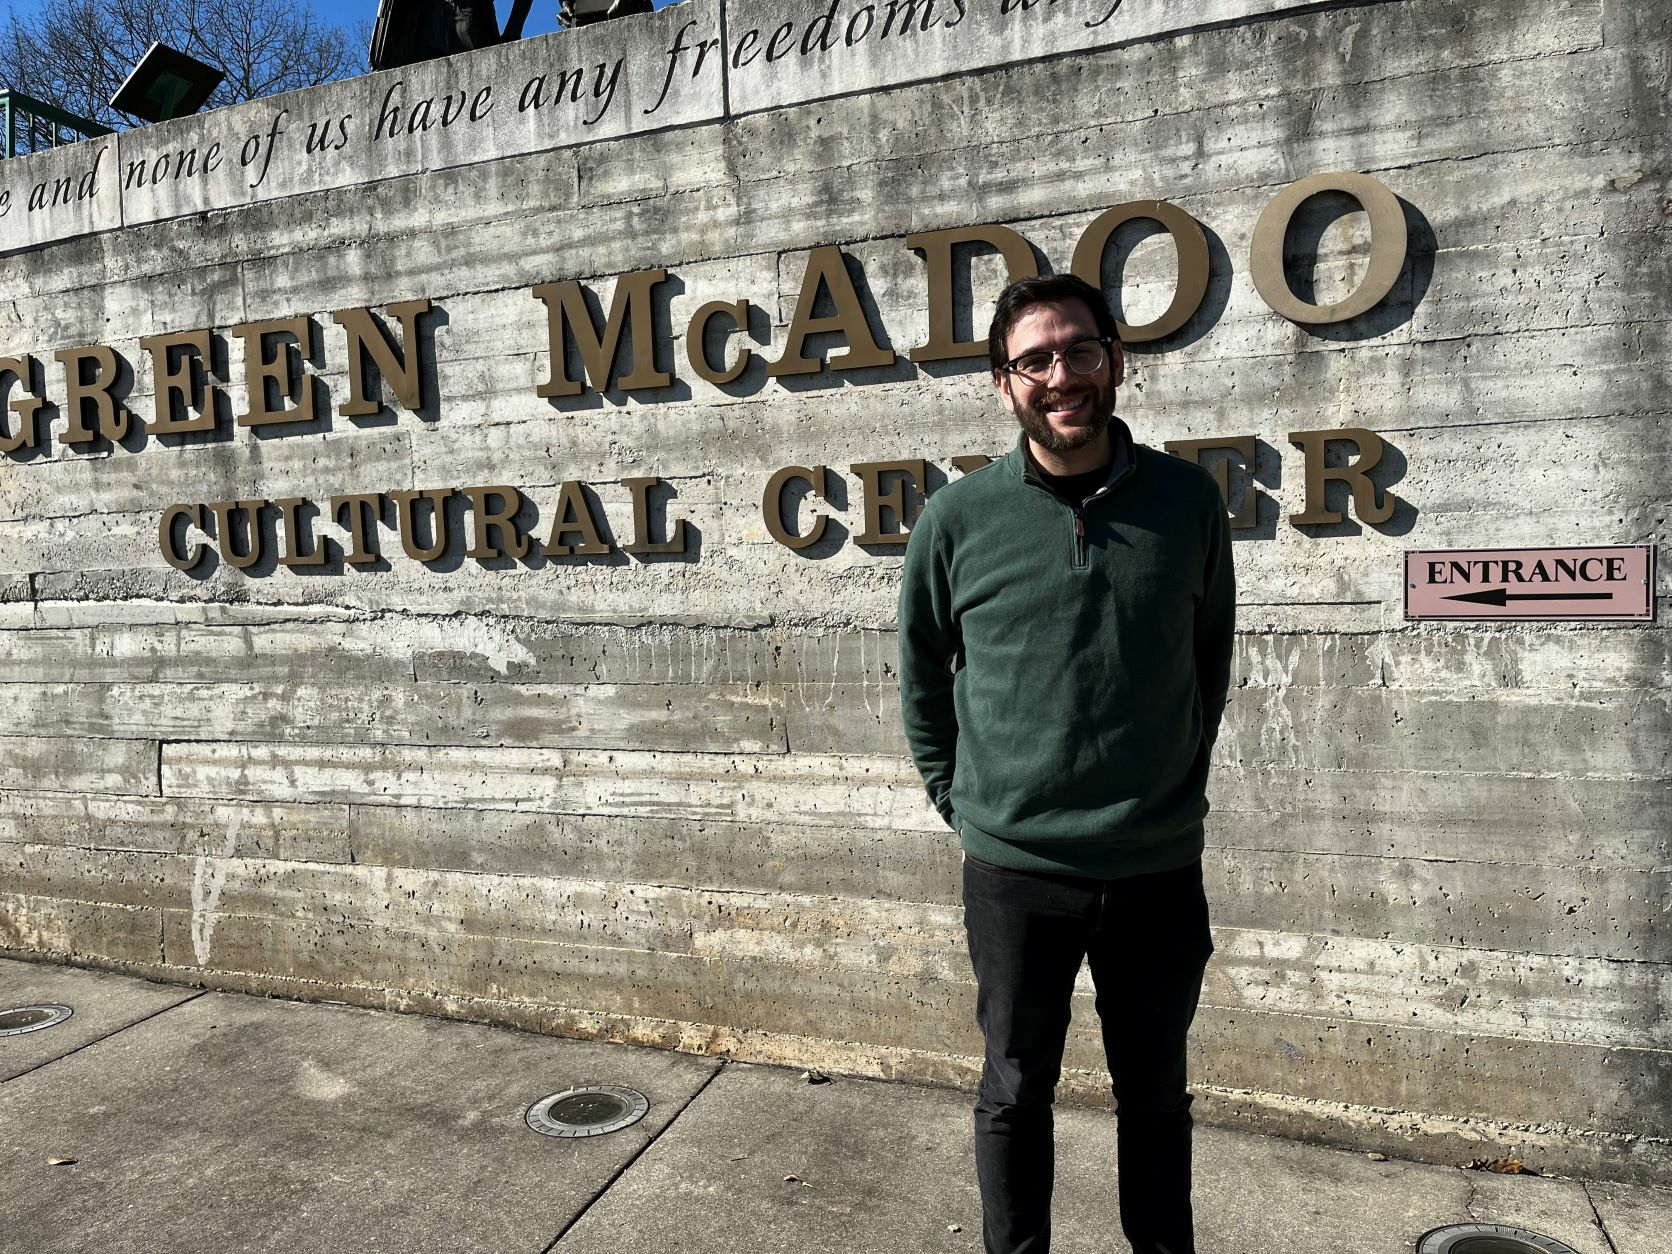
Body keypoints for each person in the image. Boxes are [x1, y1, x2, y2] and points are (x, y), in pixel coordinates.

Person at [896, 273, 1235, 1254]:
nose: (1060, 375)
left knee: (1155, 1098)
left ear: (1114, 362)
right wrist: (960, 804)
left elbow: (1205, 659)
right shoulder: (955, 521)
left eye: (1078, 350)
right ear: (1003, 385)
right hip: (1014, 873)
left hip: (1155, 869)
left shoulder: (1185, 504)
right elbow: (922, 672)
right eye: (1033, 360)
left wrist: (1165, 785)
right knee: (1012, 1090)